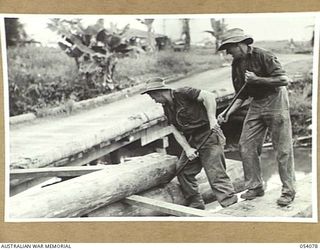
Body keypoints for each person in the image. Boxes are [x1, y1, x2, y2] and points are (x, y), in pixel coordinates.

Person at [217, 28, 296, 206]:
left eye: (229, 48)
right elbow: (241, 95)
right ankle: (255, 186)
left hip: (276, 100)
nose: (228, 53)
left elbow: (284, 80)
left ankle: (288, 191)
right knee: (245, 144)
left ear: (239, 45)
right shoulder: (236, 64)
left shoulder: (264, 55)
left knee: (282, 149)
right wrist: (226, 112)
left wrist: (257, 80)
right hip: (257, 103)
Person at [141, 77, 238, 209]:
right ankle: (196, 202)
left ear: (159, 92)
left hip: (209, 135)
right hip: (192, 139)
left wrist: (212, 119)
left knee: (215, 173)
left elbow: (209, 96)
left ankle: (230, 204)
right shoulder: (167, 107)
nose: (154, 100)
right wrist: (187, 149)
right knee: (183, 170)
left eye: (153, 96)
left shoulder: (183, 92)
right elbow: (174, 130)